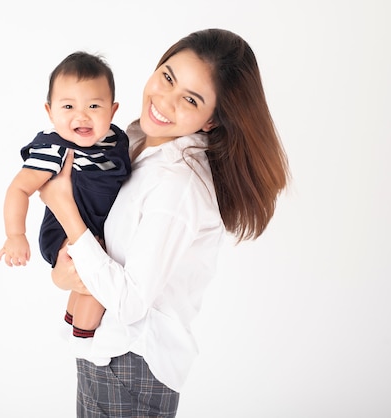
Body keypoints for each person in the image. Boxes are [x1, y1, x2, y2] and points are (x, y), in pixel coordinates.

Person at [39, 29, 290, 417]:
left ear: (211, 121)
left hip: (131, 361)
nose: (164, 101)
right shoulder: (135, 142)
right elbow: (104, 249)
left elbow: (129, 302)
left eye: (190, 99)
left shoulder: (178, 184)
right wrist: (61, 272)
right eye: (168, 77)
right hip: (105, 350)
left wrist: (65, 209)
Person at [0, 51, 131, 339]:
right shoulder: (55, 148)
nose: (81, 116)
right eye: (68, 106)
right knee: (96, 282)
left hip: (94, 224)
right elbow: (19, 188)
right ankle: (88, 344)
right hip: (63, 231)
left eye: (94, 105)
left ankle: (73, 319)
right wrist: (15, 235)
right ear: (50, 112)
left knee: (90, 277)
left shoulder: (114, 139)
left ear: (113, 110)